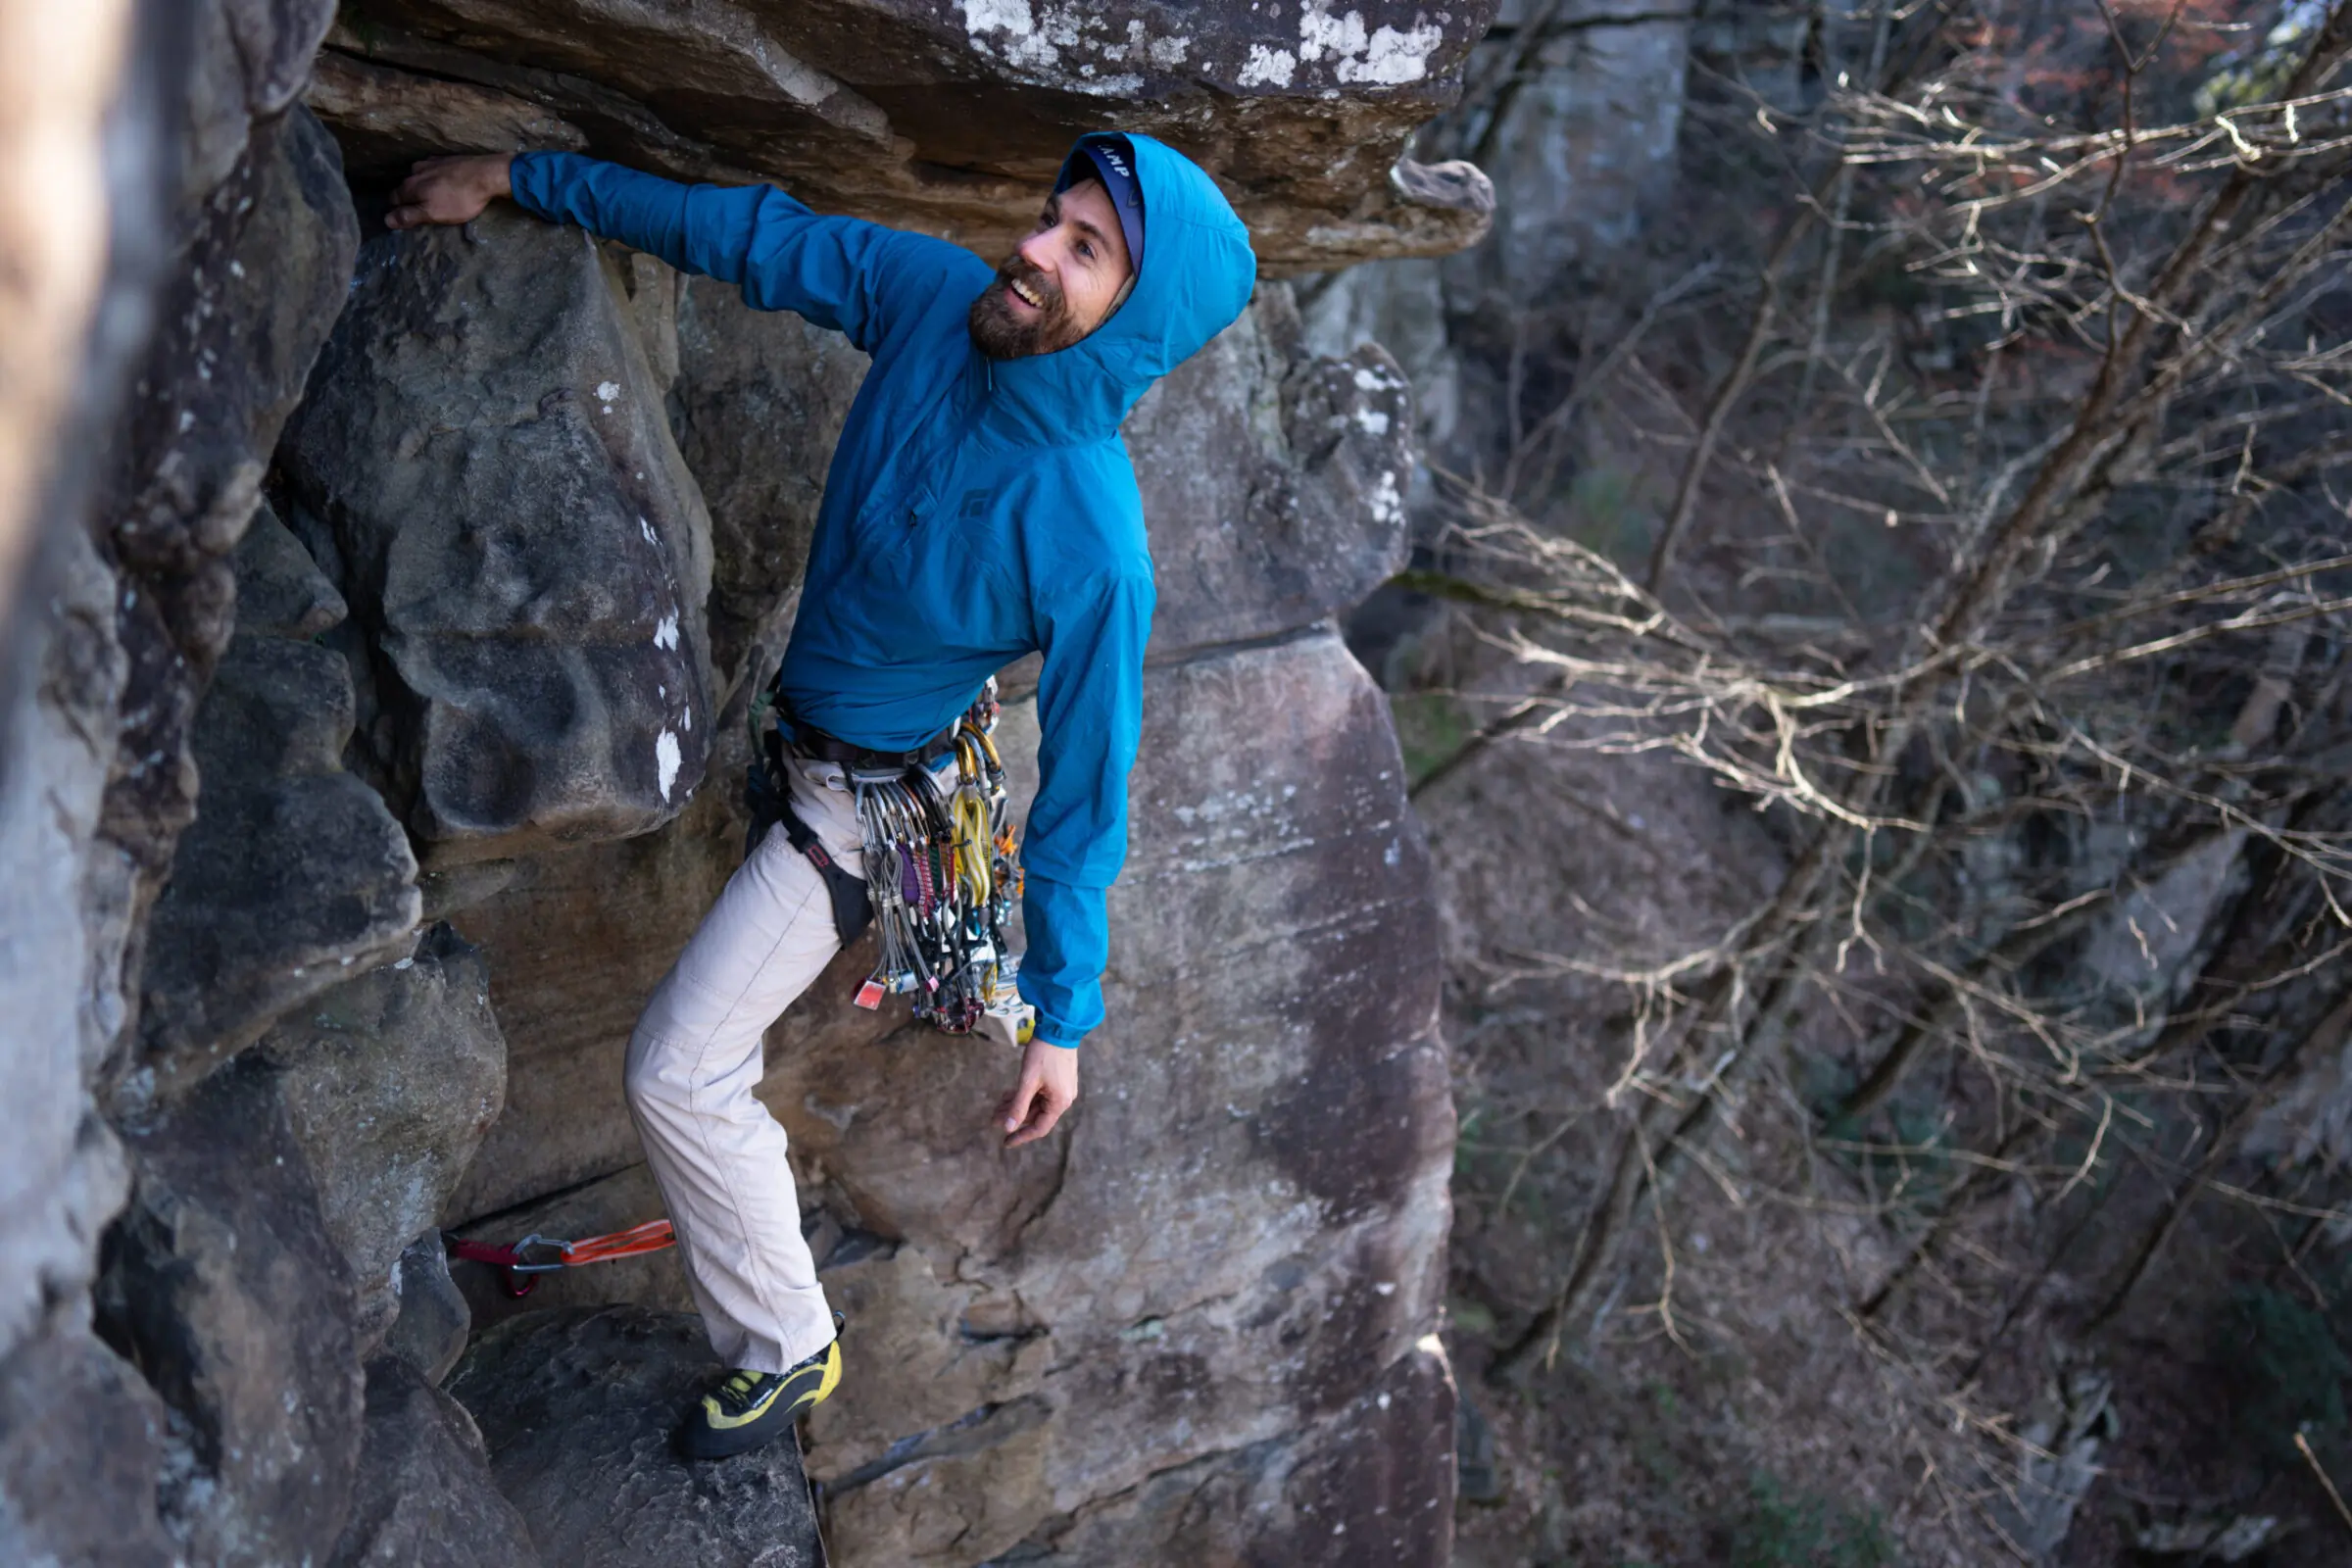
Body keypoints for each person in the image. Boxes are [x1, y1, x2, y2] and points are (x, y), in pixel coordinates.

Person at [385, 131, 1256, 1458]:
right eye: (1048, 218)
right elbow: (743, 232)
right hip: (814, 739)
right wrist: (513, 177)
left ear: (1137, 318)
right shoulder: (926, 301)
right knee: (690, 1056)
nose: (1032, 249)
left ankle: (787, 1346)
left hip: (867, 813)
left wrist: (1063, 1016)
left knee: (679, 1070)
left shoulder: (1092, 545)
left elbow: (1083, 795)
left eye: (1085, 252)